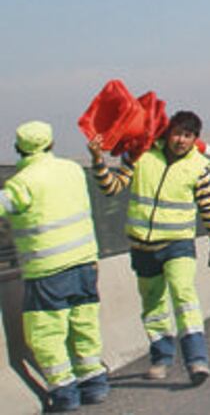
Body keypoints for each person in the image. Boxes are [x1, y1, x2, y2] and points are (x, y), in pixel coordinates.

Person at [88, 110, 210, 385]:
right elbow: (112, 188)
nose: (181, 140)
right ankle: (161, 358)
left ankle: (197, 360)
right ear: (167, 133)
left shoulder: (199, 167)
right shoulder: (141, 155)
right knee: (153, 304)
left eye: (188, 135)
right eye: (177, 133)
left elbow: (208, 206)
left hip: (178, 244)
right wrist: (98, 160)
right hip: (142, 246)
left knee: (184, 295)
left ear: (195, 139)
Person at [0, 121, 109, 411]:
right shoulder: (73, 170)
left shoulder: (22, 183)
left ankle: (64, 393)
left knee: (46, 332)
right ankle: (95, 384)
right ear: (52, 144)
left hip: (47, 269)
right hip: (85, 262)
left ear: (18, 148)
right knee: (84, 324)